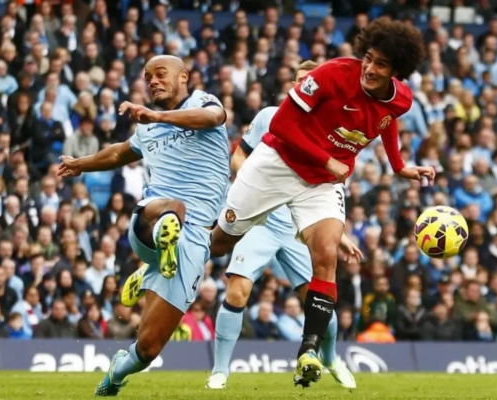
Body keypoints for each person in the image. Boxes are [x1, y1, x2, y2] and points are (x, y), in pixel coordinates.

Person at [210, 18, 434, 387]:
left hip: (321, 183)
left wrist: (399, 166)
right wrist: (326, 159)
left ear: (397, 71)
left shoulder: (402, 99)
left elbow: (386, 119)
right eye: (368, 58)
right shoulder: (333, 74)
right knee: (219, 244)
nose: (369, 68)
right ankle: (169, 256)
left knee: (327, 253)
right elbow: (281, 125)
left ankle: (309, 351)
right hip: (276, 165)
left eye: (381, 64)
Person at [57, 55, 229, 396]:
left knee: (148, 348)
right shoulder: (147, 128)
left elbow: (213, 117)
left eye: (161, 74)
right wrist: (80, 164)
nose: (153, 81)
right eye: (148, 77)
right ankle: (158, 249)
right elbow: (119, 153)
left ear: (184, 77)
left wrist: (157, 115)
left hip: (193, 238)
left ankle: (116, 373)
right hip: (149, 219)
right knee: (173, 207)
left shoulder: (203, 102)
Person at [206, 61, 356, 390]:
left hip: (297, 225)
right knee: (238, 288)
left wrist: (339, 234)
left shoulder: (331, 127)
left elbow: (325, 190)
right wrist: (253, 185)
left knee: (317, 295)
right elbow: (239, 156)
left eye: (310, 80)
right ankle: (220, 371)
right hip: (261, 219)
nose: (304, 85)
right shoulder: (270, 116)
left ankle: (330, 357)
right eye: (300, 80)